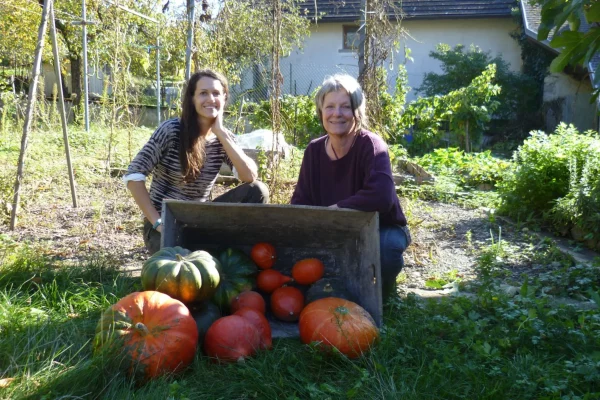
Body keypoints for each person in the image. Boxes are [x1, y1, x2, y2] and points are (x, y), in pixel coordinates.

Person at [290, 73, 410, 300]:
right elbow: (301, 200)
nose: (337, 113)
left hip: (382, 227)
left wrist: (338, 208)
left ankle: (382, 296)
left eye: (345, 107)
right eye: (330, 106)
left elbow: (381, 197)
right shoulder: (314, 151)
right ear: (321, 112)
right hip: (334, 230)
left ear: (358, 111)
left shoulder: (372, 145)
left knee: (386, 252)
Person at [124, 69, 269, 254]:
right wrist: (158, 222)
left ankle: (237, 252)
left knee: (257, 190)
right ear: (192, 99)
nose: (210, 99)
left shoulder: (223, 138)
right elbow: (133, 176)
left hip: (201, 219)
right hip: (167, 222)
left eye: (216, 93)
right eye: (203, 93)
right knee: (179, 270)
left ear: (224, 98)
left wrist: (221, 133)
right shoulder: (171, 130)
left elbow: (249, 176)